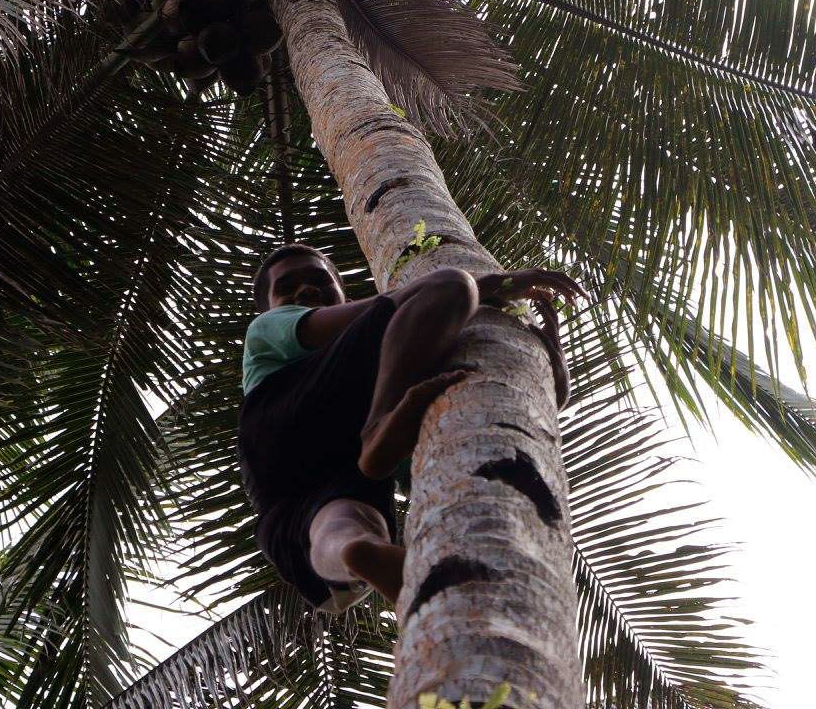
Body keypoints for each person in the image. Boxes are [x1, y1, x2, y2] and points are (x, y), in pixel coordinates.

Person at [237, 242, 581, 613]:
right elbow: (385, 306)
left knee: (345, 527)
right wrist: (492, 284)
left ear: (341, 289)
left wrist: (551, 362)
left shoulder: (396, 362)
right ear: (271, 307)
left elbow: (507, 405)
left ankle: (359, 553)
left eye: (319, 280)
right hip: (282, 422)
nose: (304, 290)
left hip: (300, 501)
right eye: (286, 288)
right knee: (451, 284)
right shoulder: (267, 330)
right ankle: (376, 430)